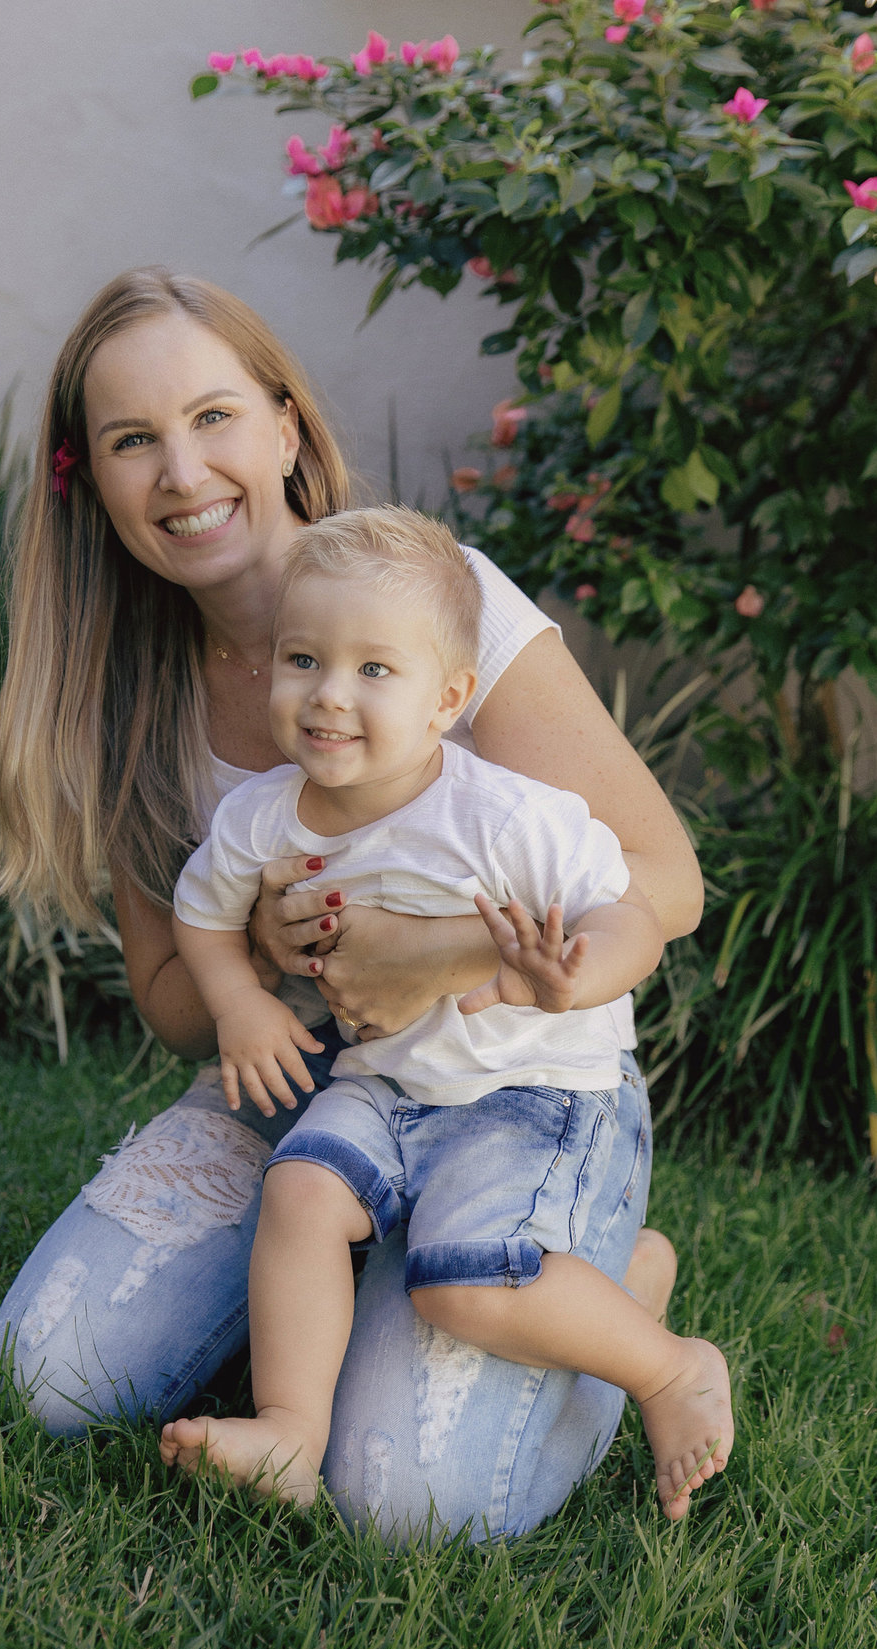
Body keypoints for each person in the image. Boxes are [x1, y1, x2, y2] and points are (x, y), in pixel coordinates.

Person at [0, 266, 705, 1543]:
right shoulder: (127, 696)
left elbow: (665, 879)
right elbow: (174, 1005)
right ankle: (333, 1303)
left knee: (409, 1503)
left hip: (500, 1074)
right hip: (301, 1084)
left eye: (213, 417)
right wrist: (257, 956)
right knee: (48, 1375)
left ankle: (618, 1296)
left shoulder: (434, 603)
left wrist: (437, 954)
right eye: (133, 440)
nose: (183, 473)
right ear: (89, 478)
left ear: (286, 427)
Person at [157, 506, 731, 1522]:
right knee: (300, 1190)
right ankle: (290, 1430)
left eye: (374, 669)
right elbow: (199, 913)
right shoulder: (263, 817)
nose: (330, 694)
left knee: (460, 1287)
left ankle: (667, 1365)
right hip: (387, 1081)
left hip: (532, 1091)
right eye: (303, 660)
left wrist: (572, 974)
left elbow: (634, 914)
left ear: (449, 699)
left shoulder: (505, 816)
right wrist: (240, 1000)